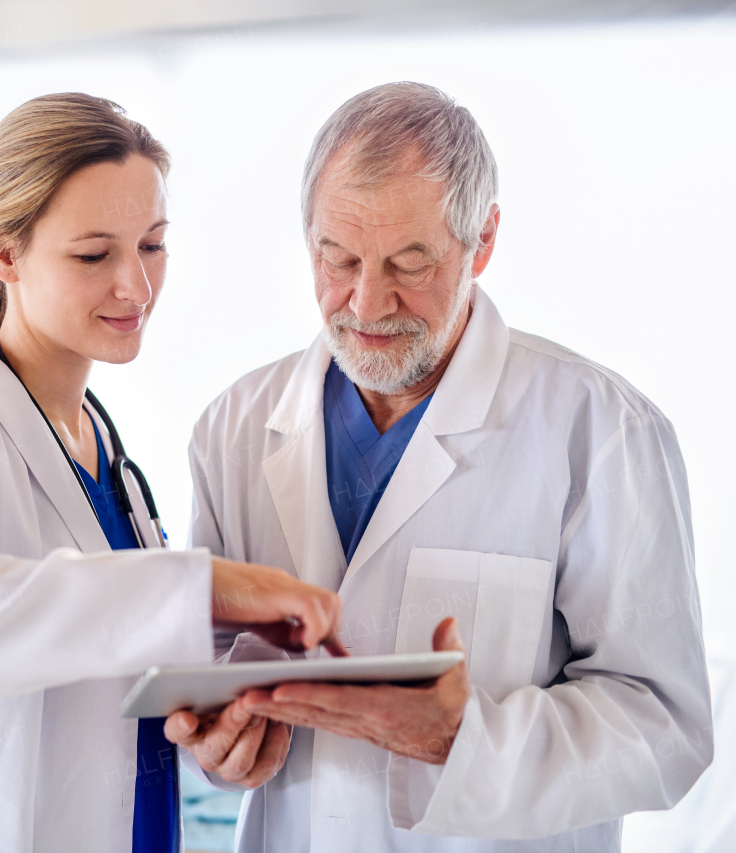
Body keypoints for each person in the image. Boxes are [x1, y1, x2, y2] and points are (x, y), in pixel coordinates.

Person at [171, 81, 713, 850]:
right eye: (338, 257)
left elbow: (667, 729)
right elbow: (214, 674)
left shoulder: (601, 428)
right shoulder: (233, 428)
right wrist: (219, 751)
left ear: (482, 242)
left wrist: (463, 741)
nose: (366, 301)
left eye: (409, 261)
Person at [0, 92, 343, 852]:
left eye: (153, 245)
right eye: (93, 254)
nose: (135, 287)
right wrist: (201, 583)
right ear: (4, 255)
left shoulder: (110, 460)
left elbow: (111, 672)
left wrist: (221, 729)